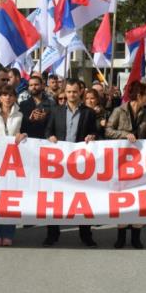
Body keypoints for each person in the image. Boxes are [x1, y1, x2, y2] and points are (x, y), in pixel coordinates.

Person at [43, 79, 99, 247]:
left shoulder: (89, 113)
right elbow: (48, 130)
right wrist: (50, 137)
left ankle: (85, 234)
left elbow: (94, 131)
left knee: (83, 199)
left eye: (74, 92)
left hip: (81, 163)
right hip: (60, 163)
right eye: (68, 92)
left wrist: (92, 136)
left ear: (80, 92)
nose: (71, 95)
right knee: (55, 199)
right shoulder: (56, 111)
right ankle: (52, 233)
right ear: (64, 93)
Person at [105, 81, 146, 249]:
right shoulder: (119, 111)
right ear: (139, 95)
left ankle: (136, 236)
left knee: (138, 197)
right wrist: (124, 135)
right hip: (121, 161)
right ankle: (120, 235)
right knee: (121, 197)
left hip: (138, 161)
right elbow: (108, 130)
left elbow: (143, 135)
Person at [0, 85, 27, 246]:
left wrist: (23, 134)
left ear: (15, 97)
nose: (7, 98)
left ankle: (8, 232)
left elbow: (27, 131)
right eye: (4, 95)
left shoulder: (21, 114)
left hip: (14, 161)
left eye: (10, 95)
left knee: (10, 199)